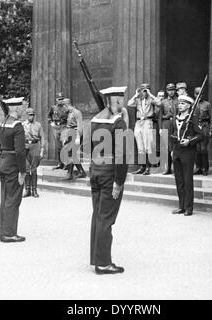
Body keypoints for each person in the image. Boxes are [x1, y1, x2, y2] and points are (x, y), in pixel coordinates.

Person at [90, 88, 128, 275]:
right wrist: (119, 181)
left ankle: (96, 257)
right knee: (106, 218)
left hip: (96, 170)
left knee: (98, 215)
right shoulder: (118, 122)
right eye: (121, 100)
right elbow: (122, 155)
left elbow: (89, 147)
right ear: (117, 101)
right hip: (110, 173)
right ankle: (103, 263)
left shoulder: (95, 120)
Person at [0, 103, 27, 243]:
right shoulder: (17, 125)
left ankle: (3, 231)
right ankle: (9, 233)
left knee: (5, 197)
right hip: (13, 164)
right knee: (13, 199)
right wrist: (23, 171)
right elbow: (20, 151)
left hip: (3, 162)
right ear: (16, 109)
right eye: (22, 108)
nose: (23, 110)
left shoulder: (2, 123)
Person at [170, 95, 202, 216]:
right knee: (179, 180)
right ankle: (181, 206)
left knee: (187, 180)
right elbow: (173, 135)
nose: (180, 105)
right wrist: (172, 150)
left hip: (188, 152)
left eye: (183, 103)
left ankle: (189, 207)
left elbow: (200, 135)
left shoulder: (192, 118)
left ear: (189, 105)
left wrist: (190, 141)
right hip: (177, 151)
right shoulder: (175, 118)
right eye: (179, 103)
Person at [128, 83, 158, 175]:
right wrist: (136, 94)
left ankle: (148, 168)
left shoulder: (151, 100)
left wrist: (150, 94)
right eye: (143, 90)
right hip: (139, 123)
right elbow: (129, 103)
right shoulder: (138, 100)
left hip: (147, 122)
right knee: (140, 146)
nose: (144, 92)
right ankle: (142, 167)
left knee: (147, 145)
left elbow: (159, 103)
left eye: (146, 90)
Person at [23, 108, 45, 198]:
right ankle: (27, 189)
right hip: (25, 147)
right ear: (26, 115)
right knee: (26, 169)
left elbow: (42, 137)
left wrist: (42, 150)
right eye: (29, 114)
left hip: (35, 146)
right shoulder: (22, 125)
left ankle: (34, 190)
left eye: (32, 115)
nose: (31, 116)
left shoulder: (38, 125)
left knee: (34, 169)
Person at [62, 99, 86, 180]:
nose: (63, 109)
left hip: (76, 134)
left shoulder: (77, 112)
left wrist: (78, 137)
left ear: (66, 105)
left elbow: (80, 126)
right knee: (71, 154)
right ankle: (81, 172)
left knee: (70, 153)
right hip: (70, 134)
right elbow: (68, 126)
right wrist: (66, 137)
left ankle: (69, 173)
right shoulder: (69, 113)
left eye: (63, 106)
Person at [194, 87, 212, 176]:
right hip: (195, 127)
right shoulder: (192, 104)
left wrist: (210, 130)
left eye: (201, 94)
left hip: (204, 126)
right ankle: (198, 167)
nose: (199, 96)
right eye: (197, 94)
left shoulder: (207, 104)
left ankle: (204, 168)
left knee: (203, 149)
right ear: (194, 94)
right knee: (197, 149)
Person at [158, 83, 178, 175]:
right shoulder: (163, 102)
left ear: (175, 90)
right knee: (166, 147)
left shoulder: (178, 101)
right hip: (165, 123)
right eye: (169, 90)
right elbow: (160, 116)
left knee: (174, 146)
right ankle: (168, 168)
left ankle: (176, 168)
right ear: (167, 91)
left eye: (173, 90)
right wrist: (160, 128)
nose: (171, 92)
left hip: (175, 124)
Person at [47, 92, 69, 170]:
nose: (61, 101)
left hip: (64, 127)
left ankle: (66, 163)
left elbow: (70, 117)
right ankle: (60, 163)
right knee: (58, 147)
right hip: (56, 127)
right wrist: (51, 123)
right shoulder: (53, 108)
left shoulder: (66, 108)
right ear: (56, 100)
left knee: (65, 146)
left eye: (62, 99)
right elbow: (49, 117)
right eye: (59, 99)